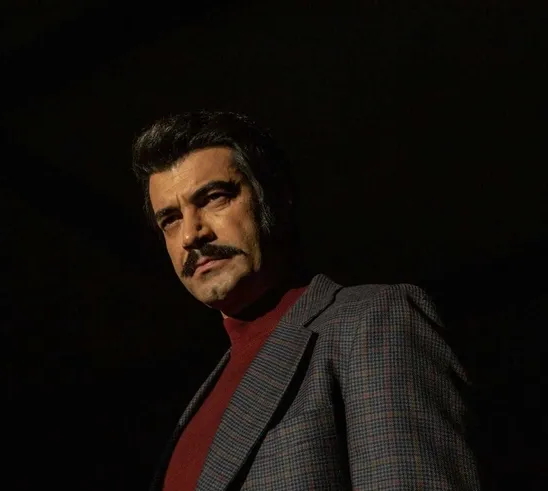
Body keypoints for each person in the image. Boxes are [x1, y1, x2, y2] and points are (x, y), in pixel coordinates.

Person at [131, 111, 481, 490]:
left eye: (214, 198)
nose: (190, 235)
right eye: (170, 219)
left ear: (274, 199)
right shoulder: (200, 402)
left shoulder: (371, 322)